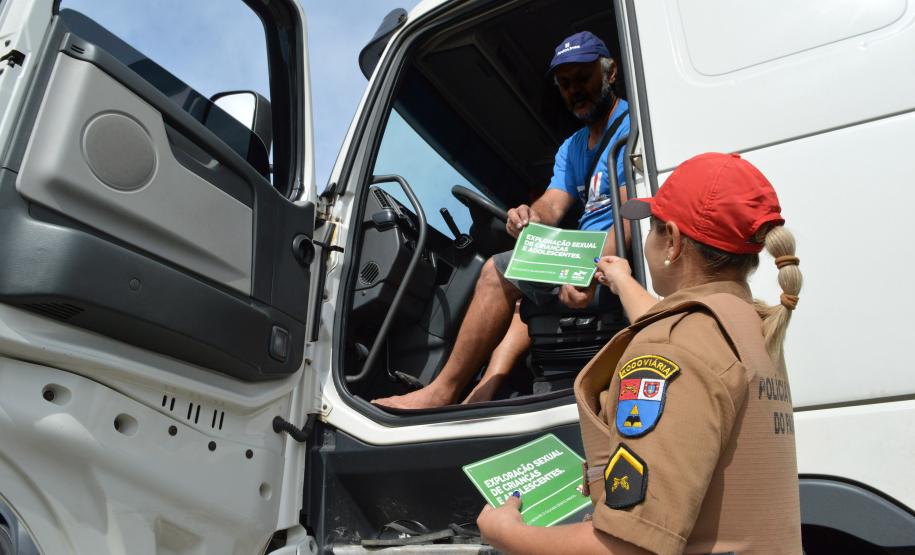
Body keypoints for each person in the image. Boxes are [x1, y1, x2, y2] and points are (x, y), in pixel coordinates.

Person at [476, 152, 803, 554]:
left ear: (673, 241)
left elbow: (627, 548)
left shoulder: (672, 345)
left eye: (650, 228)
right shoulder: (750, 325)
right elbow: (680, 339)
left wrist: (506, 532)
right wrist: (620, 279)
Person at [374, 30, 631, 409]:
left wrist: (594, 270)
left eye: (583, 78)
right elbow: (551, 207)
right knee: (517, 289)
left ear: (610, 74)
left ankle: (442, 391)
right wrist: (529, 215)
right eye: (564, 84)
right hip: (579, 249)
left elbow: (631, 219)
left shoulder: (634, 126)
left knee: (497, 273)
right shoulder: (573, 147)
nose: (574, 90)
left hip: (609, 250)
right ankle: (483, 394)